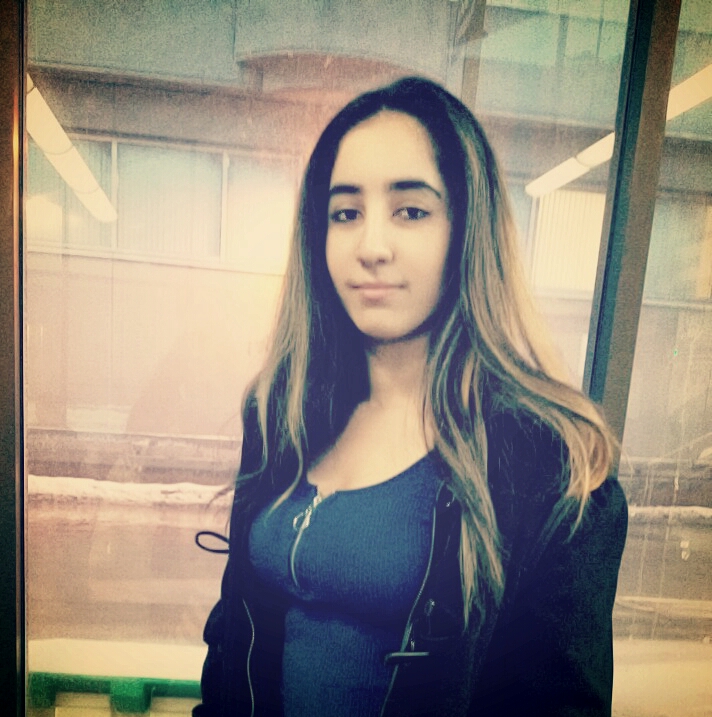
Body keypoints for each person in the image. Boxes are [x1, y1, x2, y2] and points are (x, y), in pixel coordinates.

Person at [193, 76, 628, 717]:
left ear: (466, 230)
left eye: (411, 211)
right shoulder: (282, 414)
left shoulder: (551, 462)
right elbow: (233, 639)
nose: (371, 247)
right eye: (346, 213)